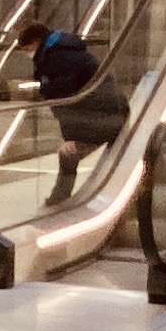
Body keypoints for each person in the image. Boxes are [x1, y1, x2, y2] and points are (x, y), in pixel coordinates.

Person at [32, 27, 126, 205]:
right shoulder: (60, 54)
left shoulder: (58, 60)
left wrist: (70, 138)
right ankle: (59, 197)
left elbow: (65, 102)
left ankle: (59, 198)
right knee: (68, 153)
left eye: (27, 48)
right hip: (110, 113)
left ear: (36, 42)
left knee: (68, 154)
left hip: (106, 118)